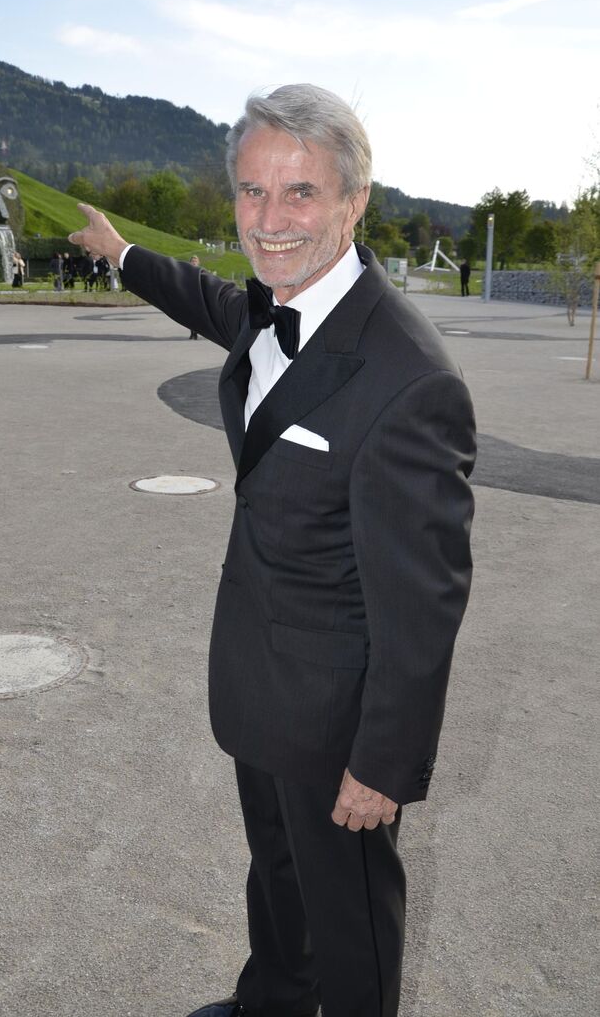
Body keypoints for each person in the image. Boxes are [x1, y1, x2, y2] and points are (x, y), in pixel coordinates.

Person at [69, 84, 476, 1017]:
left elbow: (424, 602)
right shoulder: (268, 306)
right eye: (252, 191)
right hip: (258, 676)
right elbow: (208, 298)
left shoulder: (409, 380)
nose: (268, 219)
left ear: (352, 202)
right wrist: (121, 252)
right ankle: (274, 1003)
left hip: (335, 715)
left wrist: (383, 762)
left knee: (349, 912)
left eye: (299, 192)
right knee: (277, 872)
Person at [189, 254, 201, 338]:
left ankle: (195, 332)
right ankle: (192, 332)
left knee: (197, 316)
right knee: (190, 315)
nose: (194, 262)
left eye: (195, 261)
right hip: (189, 296)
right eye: (192, 261)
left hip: (198, 296)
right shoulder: (187, 271)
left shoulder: (200, 271)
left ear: (198, 262)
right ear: (190, 262)